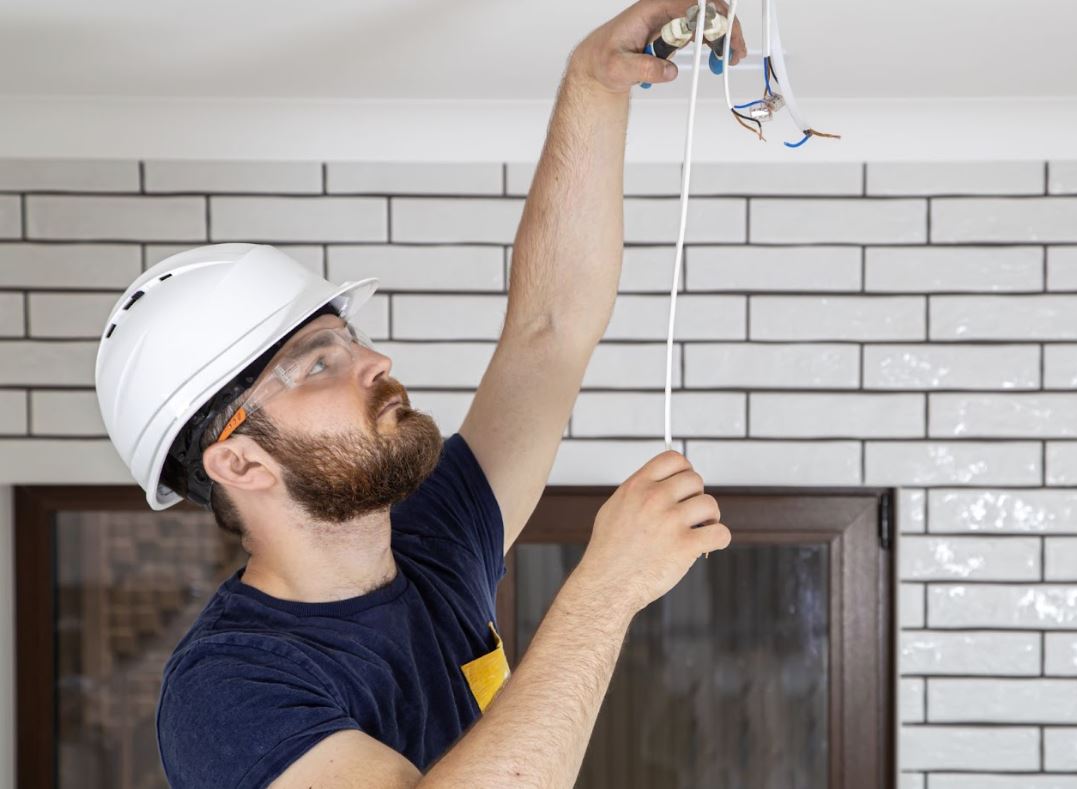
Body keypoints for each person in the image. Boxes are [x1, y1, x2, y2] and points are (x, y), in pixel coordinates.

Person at [91, 2, 746, 787]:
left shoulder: (433, 541)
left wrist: (594, 84)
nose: (375, 360)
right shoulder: (228, 689)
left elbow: (549, 330)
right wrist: (606, 587)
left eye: (350, 337)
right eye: (317, 361)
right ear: (239, 461)